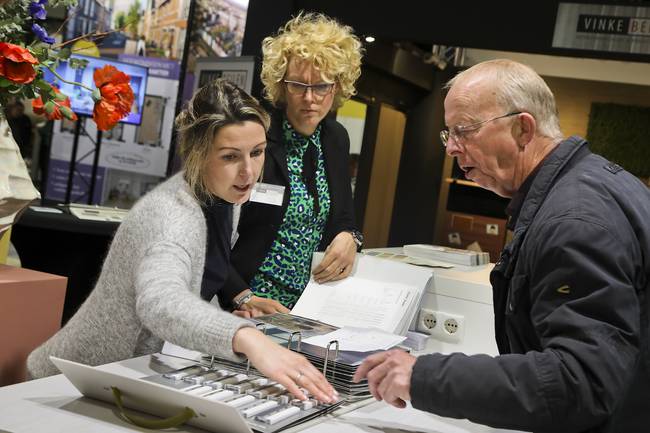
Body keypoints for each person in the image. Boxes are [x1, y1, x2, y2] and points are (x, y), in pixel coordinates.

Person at [354, 59, 650, 432]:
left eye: (464, 131)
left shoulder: (572, 220)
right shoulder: (594, 184)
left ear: (522, 128)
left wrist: (425, 377)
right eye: (449, 134)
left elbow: (582, 381)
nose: (452, 149)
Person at [27, 79, 337, 404]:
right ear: (198, 153)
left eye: (257, 153)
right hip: (68, 388)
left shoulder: (220, 199)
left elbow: (195, 282)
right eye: (231, 157)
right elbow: (160, 302)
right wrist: (247, 339)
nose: (249, 171)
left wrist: (221, 317)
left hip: (120, 383)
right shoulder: (170, 217)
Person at [216, 13, 364, 316]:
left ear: (336, 88)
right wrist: (240, 296)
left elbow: (344, 219)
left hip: (309, 307)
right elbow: (209, 233)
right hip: (249, 304)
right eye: (298, 85)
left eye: (321, 86)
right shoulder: (254, 136)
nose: (310, 98)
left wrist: (351, 238)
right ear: (282, 86)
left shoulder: (336, 139)